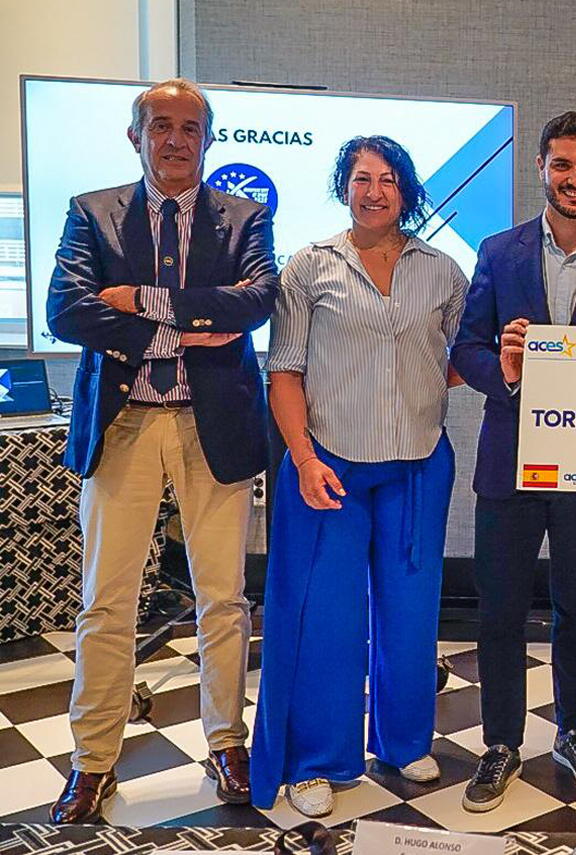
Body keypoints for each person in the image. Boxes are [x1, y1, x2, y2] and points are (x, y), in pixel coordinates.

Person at [44, 78, 278, 822]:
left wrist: (142, 302)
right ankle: (92, 762)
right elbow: (66, 311)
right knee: (106, 601)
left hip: (214, 427)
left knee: (224, 600)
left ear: (208, 138)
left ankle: (227, 743)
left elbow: (255, 302)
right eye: (160, 126)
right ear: (135, 135)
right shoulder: (92, 212)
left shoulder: (245, 217)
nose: (176, 140)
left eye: (190, 127)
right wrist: (187, 331)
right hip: (125, 426)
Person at [250, 135, 468, 817]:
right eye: (361, 178)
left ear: (407, 190)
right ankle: (318, 761)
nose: (374, 191)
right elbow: (284, 371)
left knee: (411, 615)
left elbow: (458, 359)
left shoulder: (443, 271)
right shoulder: (309, 266)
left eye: (388, 179)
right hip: (328, 467)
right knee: (326, 619)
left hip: (417, 466)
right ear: (344, 186)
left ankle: (403, 743)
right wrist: (303, 458)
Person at [451, 111, 576, 813]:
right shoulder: (499, 251)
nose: (575, 179)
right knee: (500, 611)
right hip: (509, 464)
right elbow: (465, 349)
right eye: (562, 165)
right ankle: (501, 742)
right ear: (540, 167)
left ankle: (573, 731)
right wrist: (505, 369)